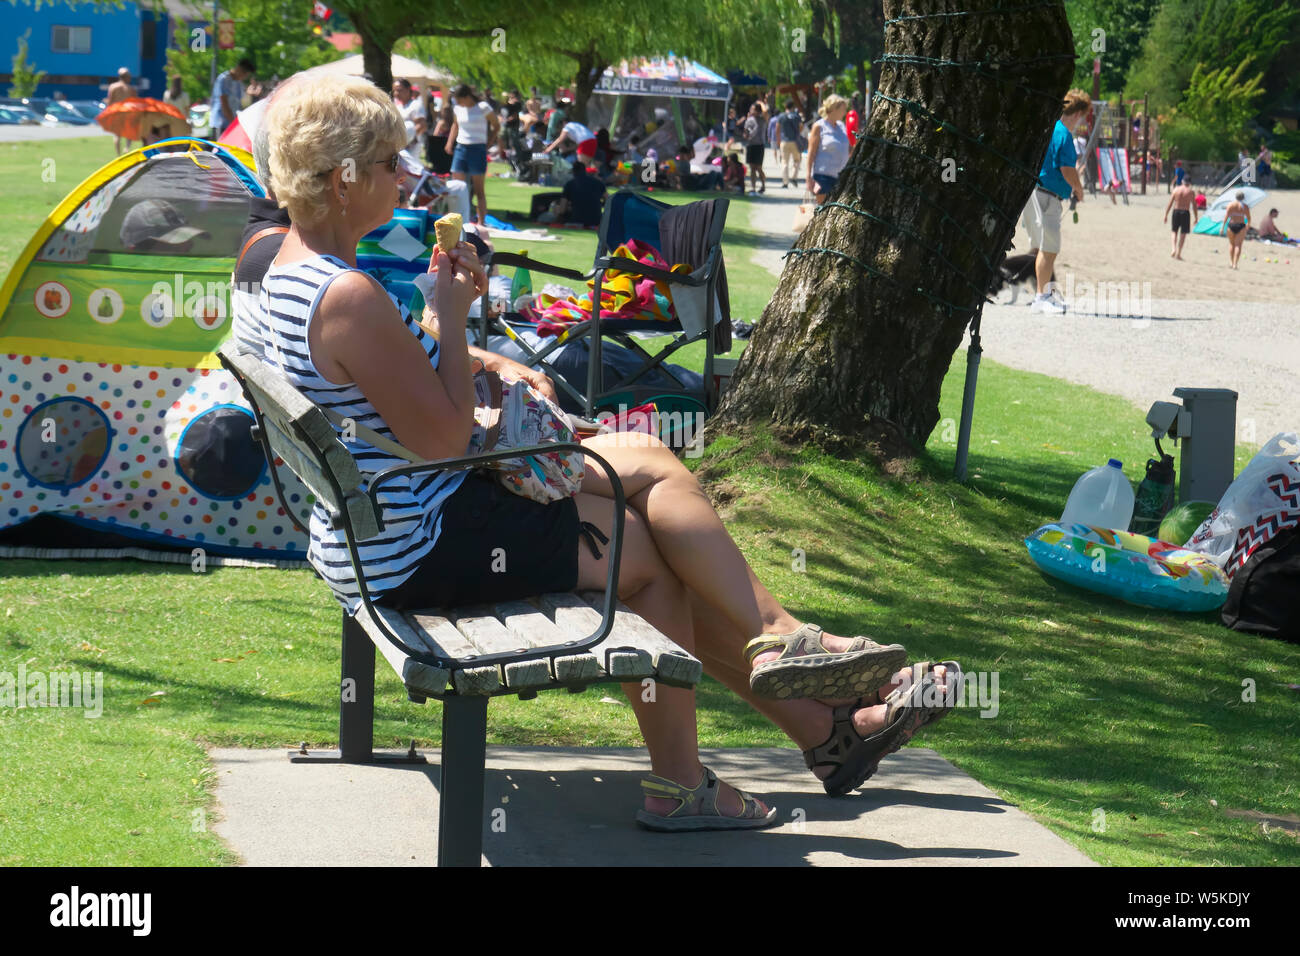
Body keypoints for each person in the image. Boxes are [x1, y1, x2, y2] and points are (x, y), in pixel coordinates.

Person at [255, 74, 956, 829]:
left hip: (378, 527)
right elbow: (443, 437)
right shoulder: (347, 296)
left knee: (652, 465)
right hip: (421, 543)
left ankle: (810, 702)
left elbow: (382, 382)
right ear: (341, 179)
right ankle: (691, 780)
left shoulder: (280, 267)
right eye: (390, 162)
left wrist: (492, 364)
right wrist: (454, 320)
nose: (405, 175)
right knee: (653, 566)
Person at [1017, 88, 1089, 314]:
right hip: (1048, 197)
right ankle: (1042, 297)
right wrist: (1078, 189)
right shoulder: (1064, 135)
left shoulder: (1047, 128)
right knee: (1050, 249)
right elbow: (1067, 170)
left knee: (1041, 247)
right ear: (1077, 114)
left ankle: (1044, 293)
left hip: (1033, 192)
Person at [445, 84, 498, 224]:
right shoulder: (457, 109)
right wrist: (450, 142)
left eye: (459, 99)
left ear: (466, 97)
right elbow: (455, 125)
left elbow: (496, 125)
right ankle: (457, 221)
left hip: (477, 148)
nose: (458, 103)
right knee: (458, 186)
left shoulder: (483, 108)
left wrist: (488, 143)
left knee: (479, 189)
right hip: (461, 147)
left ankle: (481, 222)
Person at [805, 94, 851, 204]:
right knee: (824, 209)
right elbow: (811, 152)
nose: (845, 112)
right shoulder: (819, 126)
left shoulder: (841, 126)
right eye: (843, 109)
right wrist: (808, 176)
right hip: (823, 176)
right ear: (833, 109)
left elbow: (847, 148)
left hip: (841, 176)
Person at [211, 58, 254, 138]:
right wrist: (232, 123)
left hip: (231, 123)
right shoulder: (223, 79)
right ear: (239, 68)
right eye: (244, 74)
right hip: (221, 123)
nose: (244, 77)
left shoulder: (238, 83)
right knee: (221, 148)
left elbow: (240, 104)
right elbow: (224, 104)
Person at [558, 159, 607, 226]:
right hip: (596, 222)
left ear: (573, 171)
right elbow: (609, 200)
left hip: (576, 221)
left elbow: (562, 210)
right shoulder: (598, 183)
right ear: (585, 170)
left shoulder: (570, 184)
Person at [1163, 167, 1197, 260]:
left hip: (1176, 211)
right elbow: (1194, 206)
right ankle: (1178, 253)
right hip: (1185, 212)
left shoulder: (1176, 190)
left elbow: (1170, 203)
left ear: (1182, 181)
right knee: (1183, 233)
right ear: (1189, 183)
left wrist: (1166, 215)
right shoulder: (1191, 192)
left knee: (1174, 231)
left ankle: (1173, 248)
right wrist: (1196, 217)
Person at [106, 67, 137, 155]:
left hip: (117, 112)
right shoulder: (131, 89)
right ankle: (127, 148)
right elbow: (135, 102)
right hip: (127, 112)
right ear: (127, 77)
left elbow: (110, 101)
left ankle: (118, 155)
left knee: (117, 135)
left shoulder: (113, 87)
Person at [392, 78, 427, 154]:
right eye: (394, 90)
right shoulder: (397, 106)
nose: (396, 93)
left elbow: (422, 126)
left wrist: (408, 140)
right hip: (398, 145)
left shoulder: (416, 105)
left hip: (411, 147)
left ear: (408, 90)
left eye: (399, 90)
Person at [742, 101, 767, 195]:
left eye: (752, 109)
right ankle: (753, 187)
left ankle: (763, 185)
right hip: (751, 144)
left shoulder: (763, 119)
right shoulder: (749, 120)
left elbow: (765, 112)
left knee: (759, 167)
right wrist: (745, 135)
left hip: (759, 145)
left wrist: (761, 103)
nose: (751, 110)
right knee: (752, 167)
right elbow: (745, 132)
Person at [776, 99, 803, 188]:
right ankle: (794, 177)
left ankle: (785, 181)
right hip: (795, 141)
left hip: (784, 141)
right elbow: (801, 127)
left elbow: (777, 129)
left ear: (785, 107)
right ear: (793, 107)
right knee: (797, 160)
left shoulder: (781, 116)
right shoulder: (797, 116)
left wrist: (778, 139)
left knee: (784, 162)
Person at [1223, 190, 1250, 270]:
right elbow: (1248, 218)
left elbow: (1226, 217)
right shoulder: (1245, 206)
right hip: (1241, 225)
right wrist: (1248, 225)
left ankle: (1231, 262)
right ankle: (1235, 264)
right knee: (1238, 245)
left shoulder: (1231, 205)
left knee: (1232, 244)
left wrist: (1222, 227)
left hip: (1231, 225)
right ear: (1243, 198)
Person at [426, 104, 454, 175]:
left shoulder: (443, 123)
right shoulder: (445, 122)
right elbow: (435, 135)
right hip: (445, 145)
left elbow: (435, 135)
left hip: (444, 145)